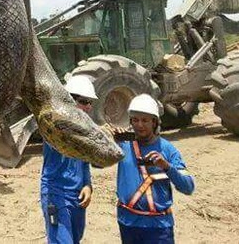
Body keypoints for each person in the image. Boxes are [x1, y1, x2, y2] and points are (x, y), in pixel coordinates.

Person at [110, 94, 195, 244]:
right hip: (128, 223)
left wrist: (166, 167)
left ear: (155, 122)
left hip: (158, 227)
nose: (139, 125)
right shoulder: (123, 146)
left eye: (145, 120)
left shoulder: (168, 150)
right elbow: (96, 164)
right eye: (135, 120)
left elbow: (188, 187)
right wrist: (109, 142)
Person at [40, 75, 97, 243]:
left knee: (75, 239)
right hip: (56, 194)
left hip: (77, 195)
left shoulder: (84, 128)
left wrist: (87, 184)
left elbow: (84, 161)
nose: (88, 107)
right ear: (70, 100)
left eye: (90, 103)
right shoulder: (52, 126)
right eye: (84, 101)